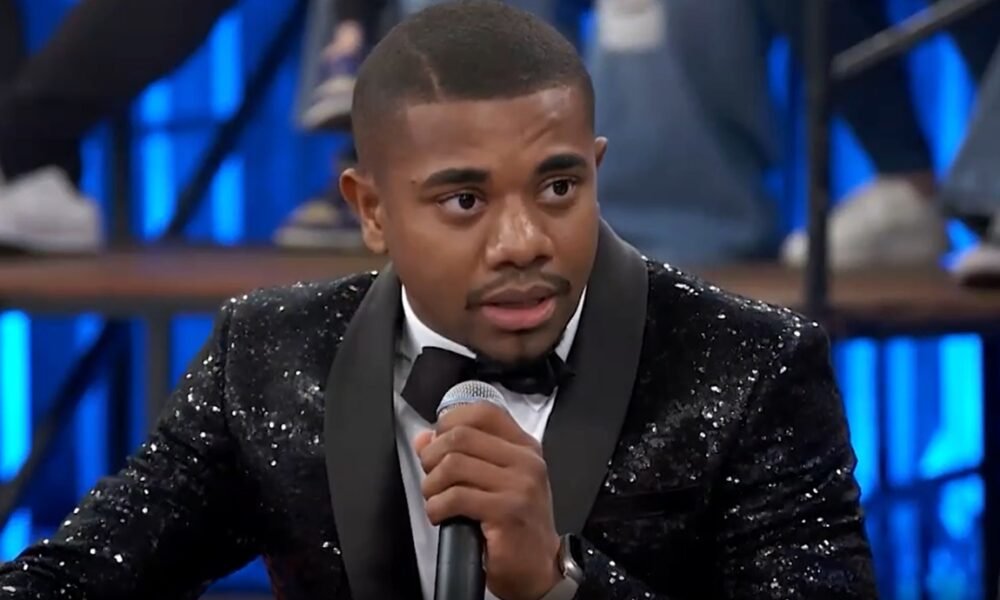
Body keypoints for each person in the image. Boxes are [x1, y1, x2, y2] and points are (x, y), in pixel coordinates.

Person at [0, 2, 876, 598]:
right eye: (465, 200)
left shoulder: (753, 365)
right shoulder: (266, 355)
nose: (523, 240)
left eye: (559, 187)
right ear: (371, 210)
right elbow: (75, 576)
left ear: (596, 168)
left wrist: (560, 584)